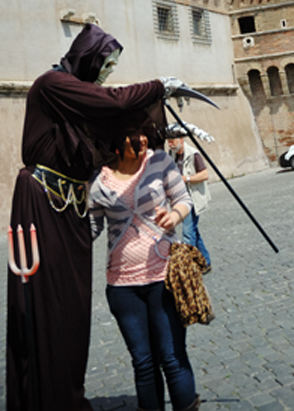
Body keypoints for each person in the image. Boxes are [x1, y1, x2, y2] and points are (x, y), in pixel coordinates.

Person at [6, 23, 187, 411]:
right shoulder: (51, 84)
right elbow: (116, 102)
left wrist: (158, 127)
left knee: (72, 311)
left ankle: (67, 394)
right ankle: (47, 399)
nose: (107, 74)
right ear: (87, 57)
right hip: (43, 204)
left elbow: (114, 132)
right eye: (105, 64)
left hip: (70, 211)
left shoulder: (74, 106)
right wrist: (159, 87)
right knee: (48, 306)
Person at [88, 128, 200, 411]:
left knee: (172, 357)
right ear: (116, 138)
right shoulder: (98, 179)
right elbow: (92, 228)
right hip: (122, 285)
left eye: (143, 134)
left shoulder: (160, 161)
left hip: (163, 276)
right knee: (143, 362)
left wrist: (174, 215)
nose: (141, 140)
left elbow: (184, 199)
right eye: (132, 135)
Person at [168, 135, 211, 272]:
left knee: (187, 233)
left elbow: (205, 175)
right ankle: (206, 262)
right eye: (168, 142)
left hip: (193, 198)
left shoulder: (193, 154)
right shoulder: (172, 155)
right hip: (180, 199)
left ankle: (187, 268)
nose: (170, 144)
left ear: (181, 140)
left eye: (172, 141)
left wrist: (186, 178)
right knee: (193, 231)